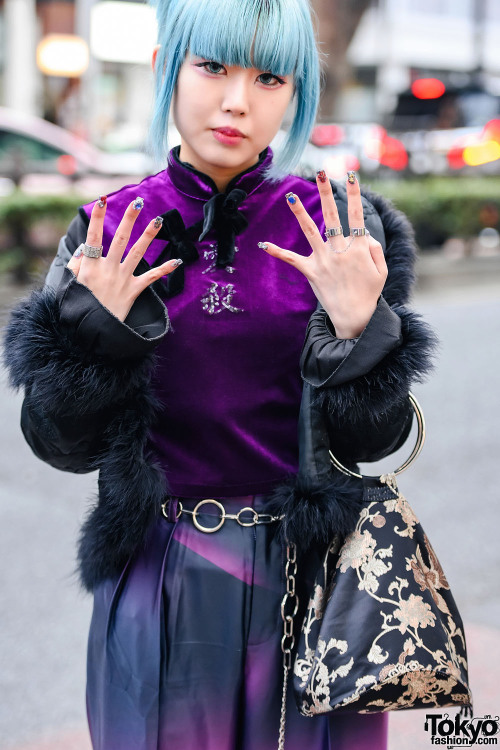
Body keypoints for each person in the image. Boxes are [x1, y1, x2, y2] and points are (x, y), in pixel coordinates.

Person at [3, 0, 437, 748]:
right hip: (157, 568)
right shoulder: (109, 233)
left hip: (317, 581)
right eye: (212, 67)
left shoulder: (341, 232)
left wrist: (363, 330)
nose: (237, 100)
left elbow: (374, 441)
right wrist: (95, 338)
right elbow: (57, 442)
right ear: (166, 69)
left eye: (270, 77)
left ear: (296, 93)